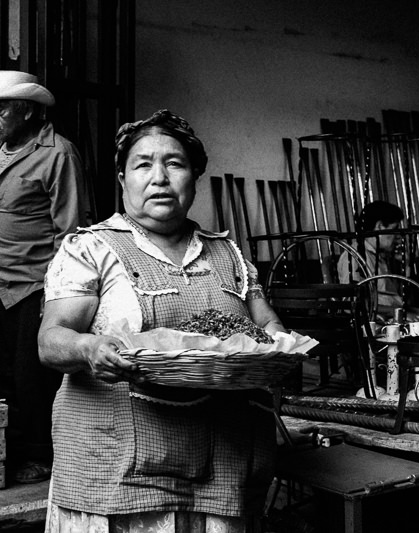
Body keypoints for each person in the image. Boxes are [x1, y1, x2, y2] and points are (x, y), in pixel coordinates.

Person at [38, 110, 286, 531]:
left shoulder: (229, 255)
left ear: (195, 176)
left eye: (174, 164)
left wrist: (277, 351)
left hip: (221, 468)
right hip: (119, 473)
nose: (159, 178)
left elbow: (269, 329)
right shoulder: (90, 249)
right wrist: (88, 347)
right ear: (122, 179)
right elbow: (50, 340)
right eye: (142, 165)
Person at [0, 70, 87, 484]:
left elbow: (71, 232)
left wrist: (56, 297)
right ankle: (8, 448)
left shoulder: (58, 154)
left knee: (32, 377)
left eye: (1, 109)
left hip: (35, 285)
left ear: (29, 111)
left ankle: (43, 455)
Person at [338, 200, 411, 321]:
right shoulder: (355, 256)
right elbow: (353, 303)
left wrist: (406, 264)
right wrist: (395, 312)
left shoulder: (382, 257)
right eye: (395, 229)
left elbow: (403, 299)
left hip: (396, 314)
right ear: (379, 226)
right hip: (379, 321)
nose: (398, 236)